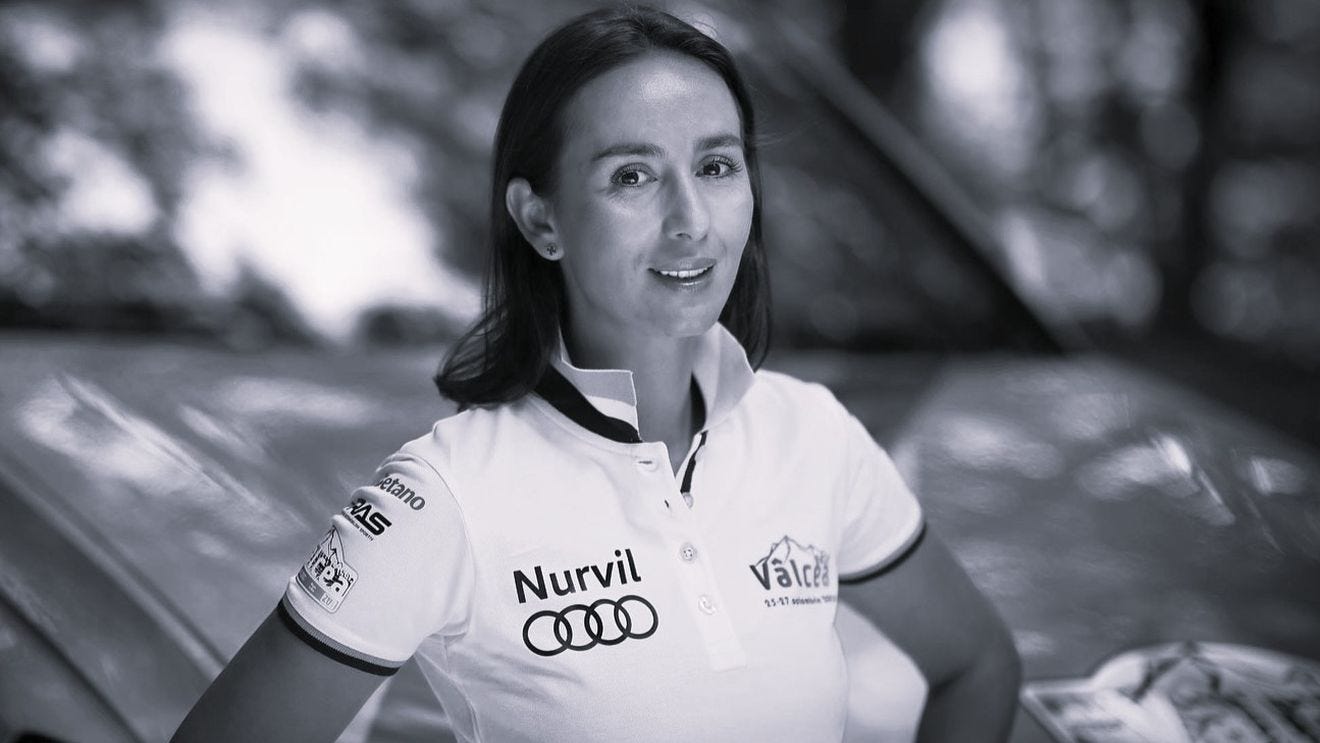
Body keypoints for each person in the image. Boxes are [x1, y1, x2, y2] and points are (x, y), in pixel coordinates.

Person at [172, 6, 1020, 742]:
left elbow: (978, 662)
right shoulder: (445, 496)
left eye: (716, 166)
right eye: (632, 176)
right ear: (540, 219)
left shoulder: (814, 436)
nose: (691, 220)